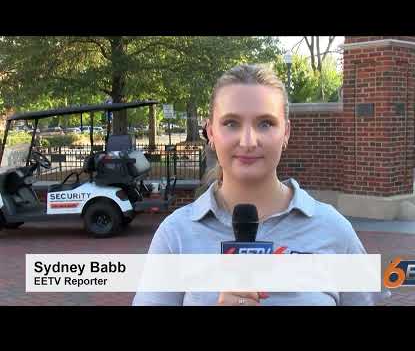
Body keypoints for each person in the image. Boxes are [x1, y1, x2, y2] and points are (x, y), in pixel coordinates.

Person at [132, 64, 389, 306]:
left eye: (265, 123)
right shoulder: (176, 235)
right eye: (231, 123)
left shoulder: (333, 230)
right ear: (211, 132)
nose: (248, 141)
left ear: (286, 132)